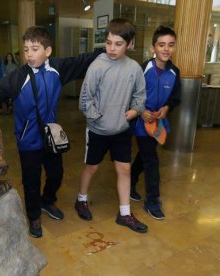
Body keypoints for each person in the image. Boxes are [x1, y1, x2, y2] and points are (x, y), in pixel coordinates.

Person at [0, 26, 102, 238]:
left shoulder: (57, 68)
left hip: (51, 137)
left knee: (56, 174)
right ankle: (34, 215)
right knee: (31, 181)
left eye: (35, 49)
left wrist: (108, 48)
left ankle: (47, 201)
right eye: (26, 50)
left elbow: (83, 60)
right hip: (28, 140)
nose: (29, 54)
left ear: (48, 51)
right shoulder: (19, 76)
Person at [75, 18, 148, 233]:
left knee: (124, 169)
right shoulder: (97, 66)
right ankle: (81, 199)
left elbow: (140, 95)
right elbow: (85, 99)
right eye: (108, 43)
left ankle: (124, 213)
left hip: (122, 130)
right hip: (98, 130)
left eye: (118, 44)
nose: (112, 48)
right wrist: (98, 117)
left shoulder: (134, 68)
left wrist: (135, 110)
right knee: (92, 167)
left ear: (130, 43)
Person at [129, 26, 181, 220]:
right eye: (161, 45)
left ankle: (131, 180)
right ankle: (152, 201)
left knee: (145, 156)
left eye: (170, 45)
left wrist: (167, 108)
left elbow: (175, 98)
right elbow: (130, 95)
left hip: (158, 123)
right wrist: (141, 112)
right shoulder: (142, 69)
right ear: (153, 48)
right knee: (152, 160)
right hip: (142, 122)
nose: (166, 49)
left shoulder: (175, 72)